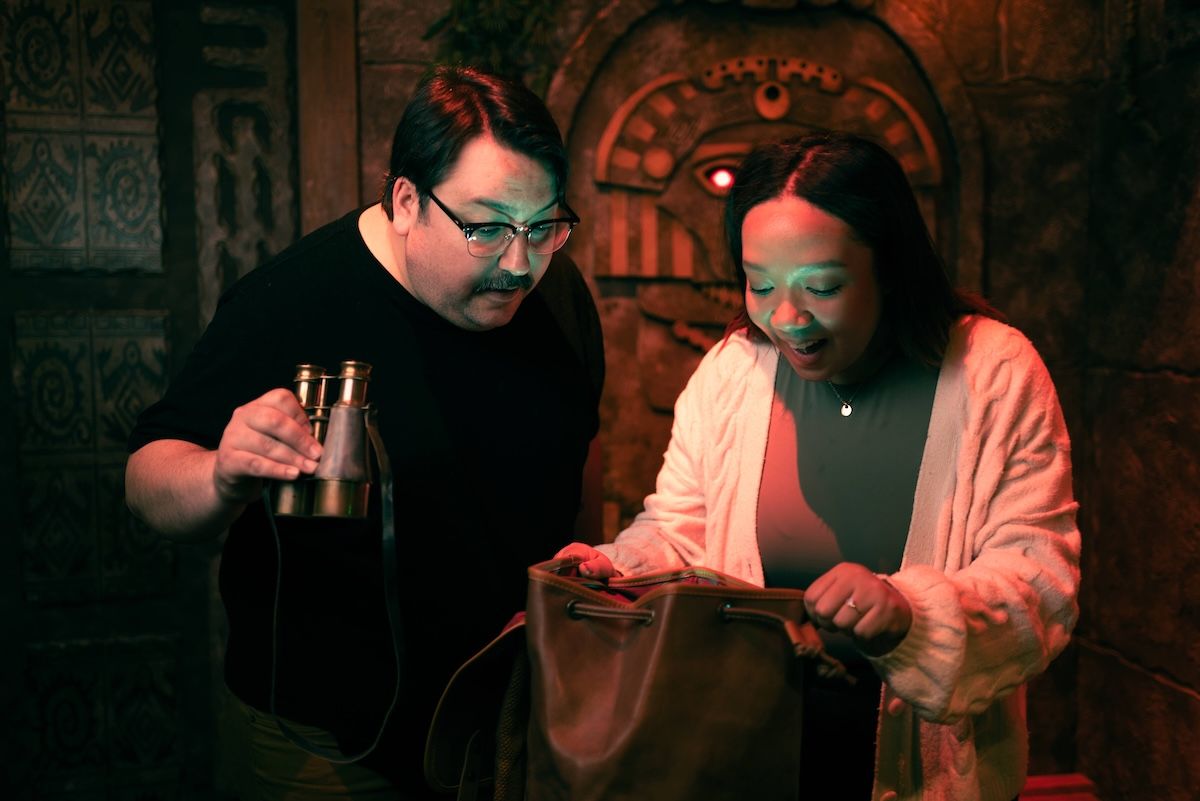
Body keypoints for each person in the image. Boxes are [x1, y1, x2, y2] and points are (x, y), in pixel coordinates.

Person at [126, 65, 604, 800]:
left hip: (510, 721)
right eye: (484, 229)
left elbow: (582, 446)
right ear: (407, 200)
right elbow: (147, 478)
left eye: (543, 226)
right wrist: (223, 471)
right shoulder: (293, 301)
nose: (519, 264)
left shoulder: (559, 291)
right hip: (326, 746)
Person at [559, 131, 1080, 801]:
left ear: (887, 264)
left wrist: (909, 614)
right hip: (746, 754)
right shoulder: (733, 372)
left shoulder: (994, 373)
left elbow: (1042, 580)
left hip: (924, 773)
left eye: (823, 286)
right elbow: (681, 528)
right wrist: (621, 567)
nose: (786, 317)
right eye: (760, 284)